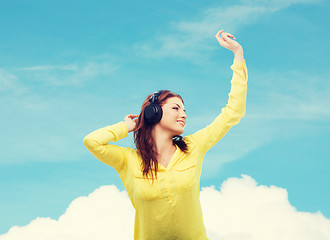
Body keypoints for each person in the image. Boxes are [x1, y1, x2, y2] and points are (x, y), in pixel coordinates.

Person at [83, 29, 248, 240]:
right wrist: (126, 127)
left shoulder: (194, 146)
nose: (184, 115)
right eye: (176, 108)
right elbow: (92, 142)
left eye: (185, 110)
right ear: (154, 113)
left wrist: (237, 54)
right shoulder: (128, 160)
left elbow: (233, 112)